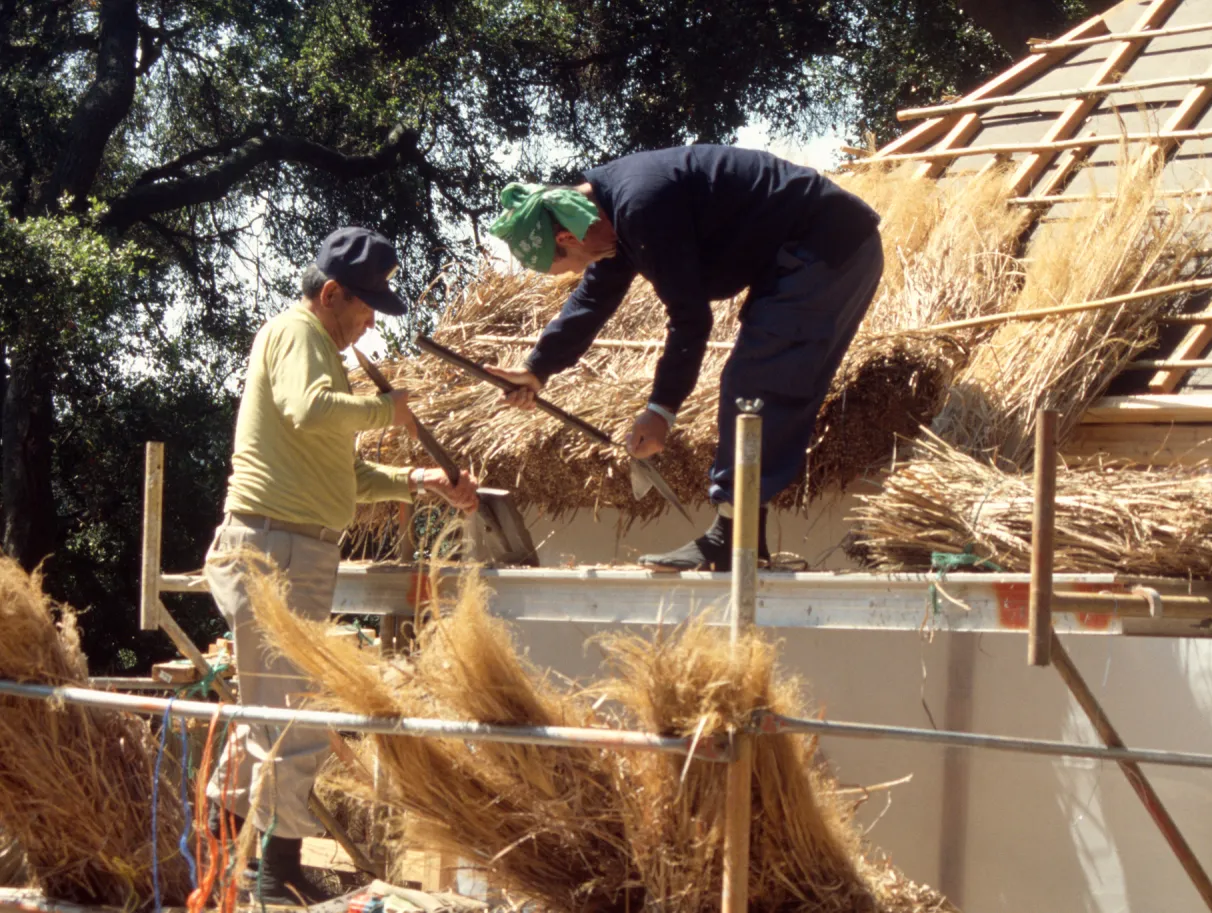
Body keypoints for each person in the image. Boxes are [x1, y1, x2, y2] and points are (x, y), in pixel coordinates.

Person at [203, 227, 478, 904]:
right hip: (277, 548)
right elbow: (307, 411)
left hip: (288, 547)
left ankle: (228, 860)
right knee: (290, 717)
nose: (368, 325)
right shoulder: (299, 334)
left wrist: (417, 478)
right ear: (331, 293)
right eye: (364, 310)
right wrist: (388, 410)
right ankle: (272, 874)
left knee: (263, 716)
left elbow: (346, 474)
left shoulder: (324, 353)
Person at [484, 145, 883, 571]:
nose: (588, 268)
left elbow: (691, 320)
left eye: (574, 264)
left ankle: (733, 537)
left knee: (755, 383)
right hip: (799, 254)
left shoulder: (641, 205)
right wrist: (536, 369)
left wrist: (662, 409)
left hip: (827, 248)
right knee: (753, 379)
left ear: (567, 238)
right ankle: (741, 536)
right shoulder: (608, 214)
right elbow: (593, 300)